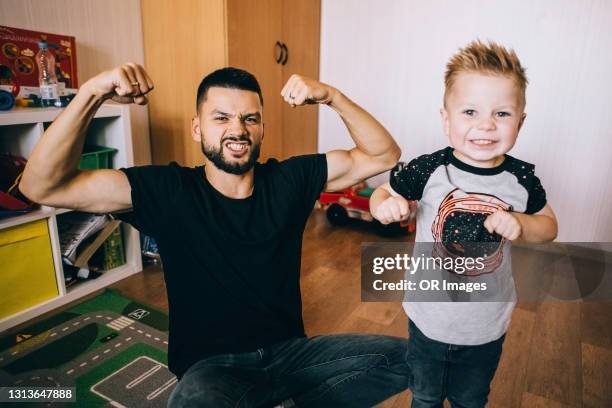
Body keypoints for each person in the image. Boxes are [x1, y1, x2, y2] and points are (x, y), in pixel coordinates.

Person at [19, 63, 412, 407]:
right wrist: (92, 93)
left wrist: (332, 96)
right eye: (221, 118)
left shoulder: (290, 179)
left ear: (262, 128)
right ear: (197, 128)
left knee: (411, 358)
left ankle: (287, 401)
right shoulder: (167, 191)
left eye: (249, 119)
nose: (237, 130)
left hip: (290, 354)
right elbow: (42, 187)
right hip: (211, 369)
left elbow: (383, 155)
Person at [369, 40, 558, 408]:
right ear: (446, 118)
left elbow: (549, 225)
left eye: (502, 114)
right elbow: (381, 192)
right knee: (423, 396)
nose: (485, 125)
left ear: (521, 120)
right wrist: (384, 206)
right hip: (428, 317)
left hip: (486, 323)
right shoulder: (429, 169)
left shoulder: (521, 180)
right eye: (469, 111)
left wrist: (521, 223)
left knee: (471, 400)